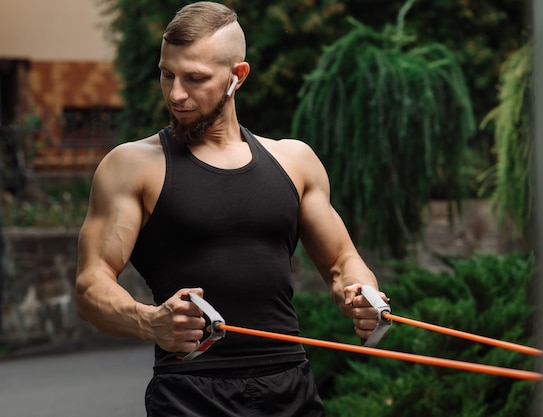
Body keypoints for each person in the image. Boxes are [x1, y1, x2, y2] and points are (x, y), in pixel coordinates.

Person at [75, 2, 385, 416]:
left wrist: (362, 294)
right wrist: (150, 321)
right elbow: (91, 283)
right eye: (167, 74)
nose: (176, 93)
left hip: (290, 385)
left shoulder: (294, 161)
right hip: (191, 393)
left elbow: (342, 261)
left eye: (195, 78)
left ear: (236, 77)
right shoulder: (132, 166)